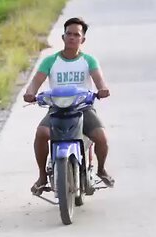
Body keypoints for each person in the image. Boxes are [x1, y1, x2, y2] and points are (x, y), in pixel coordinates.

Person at [23, 17, 114, 195]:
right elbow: (36, 81)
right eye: (69, 34)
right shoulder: (50, 61)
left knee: (101, 137)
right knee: (41, 133)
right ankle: (42, 177)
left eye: (76, 35)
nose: (72, 37)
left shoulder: (89, 60)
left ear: (83, 39)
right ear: (63, 37)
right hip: (56, 109)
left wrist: (102, 89)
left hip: (83, 109)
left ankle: (101, 169)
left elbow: (99, 80)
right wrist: (30, 92)